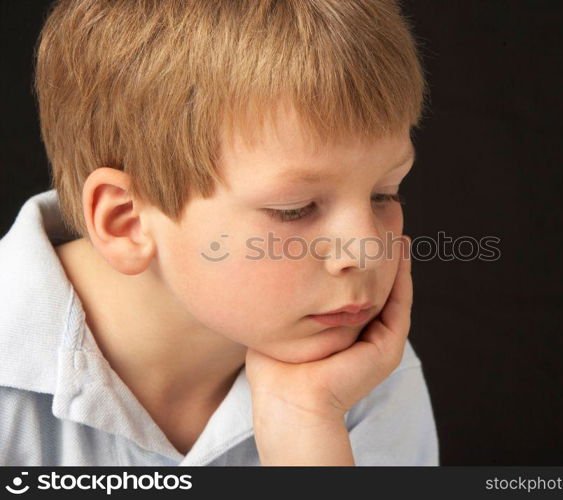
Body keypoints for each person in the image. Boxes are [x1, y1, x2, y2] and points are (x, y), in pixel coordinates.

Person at [0, 0, 438, 466]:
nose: (367, 249)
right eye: (294, 209)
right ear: (126, 221)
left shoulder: (359, 371)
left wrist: (304, 424)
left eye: (384, 194)